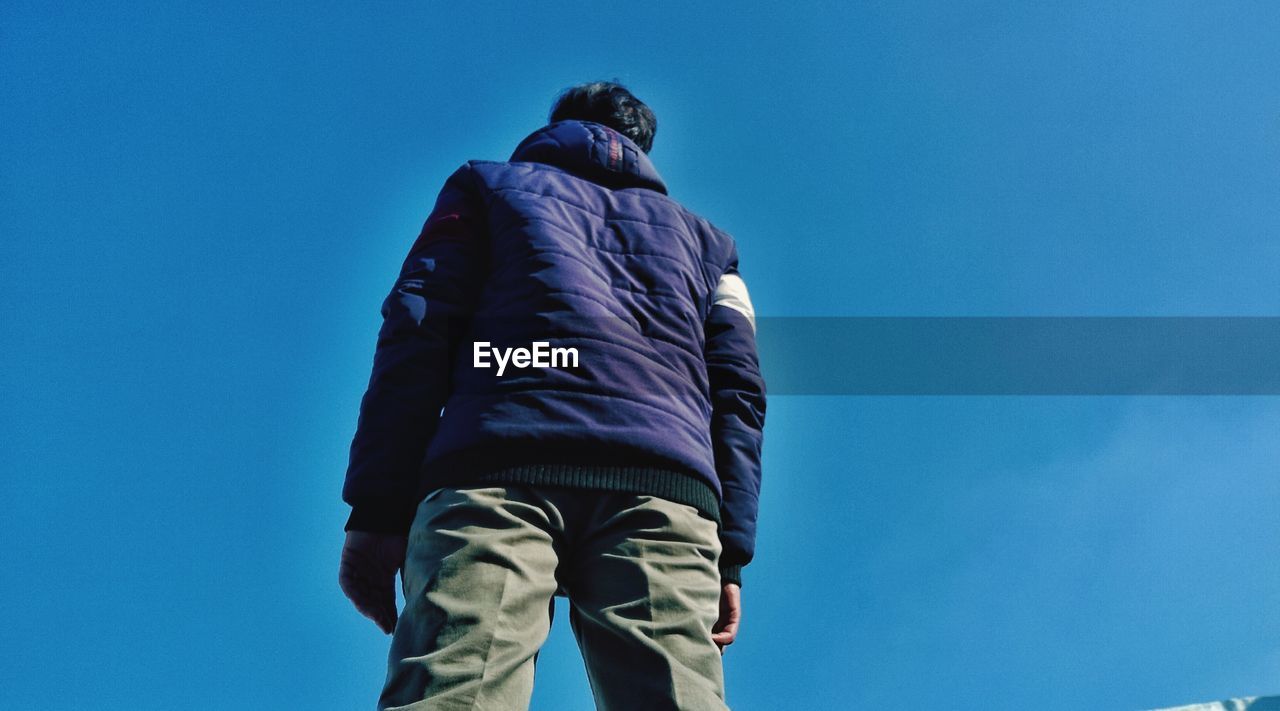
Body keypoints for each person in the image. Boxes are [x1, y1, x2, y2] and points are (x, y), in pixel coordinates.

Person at [338, 81, 766, 710]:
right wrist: (730, 550)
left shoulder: (484, 189)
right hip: (665, 484)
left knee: (458, 690)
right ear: (644, 147)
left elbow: (417, 326)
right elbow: (740, 391)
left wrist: (377, 506)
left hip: (495, 464)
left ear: (554, 129)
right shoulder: (712, 250)